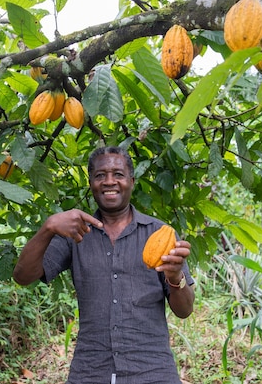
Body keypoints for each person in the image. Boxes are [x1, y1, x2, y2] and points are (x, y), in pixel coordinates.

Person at [13, 145, 195, 384]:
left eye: (118, 174)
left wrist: (174, 277)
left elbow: (185, 310)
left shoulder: (160, 234)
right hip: (91, 370)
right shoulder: (75, 232)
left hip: (152, 371)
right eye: (100, 175)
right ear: (91, 183)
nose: (109, 181)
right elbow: (22, 276)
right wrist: (48, 227)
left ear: (131, 180)